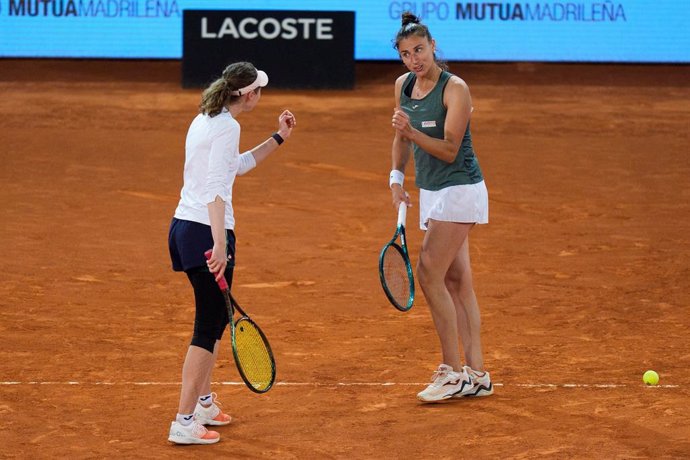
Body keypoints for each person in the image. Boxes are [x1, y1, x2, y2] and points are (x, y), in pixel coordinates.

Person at [167, 62, 295, 444]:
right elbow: (216, 189)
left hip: (184, 228)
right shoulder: (227, 126)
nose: (261, 95)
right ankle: (184, 421)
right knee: (206, 328)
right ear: (249, 94)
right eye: (260, 90)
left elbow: (235, 167)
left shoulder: (207, 119)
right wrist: (220, 244)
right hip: (206, 231)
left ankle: (203, 403)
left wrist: (279, 137)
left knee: (215, 320)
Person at [389, 12, 493, 403]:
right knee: (456, 280)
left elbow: (450, 150)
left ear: (434, 47)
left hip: (460, 188)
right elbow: (399, 139)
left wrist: (412, 132)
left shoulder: (456, 89)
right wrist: (396, 180)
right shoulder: (403, 85)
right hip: (432, 191)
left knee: (429, 271)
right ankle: (478, 373)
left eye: (419, 49)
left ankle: (451, 371)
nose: (414, 59)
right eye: (406, 54)